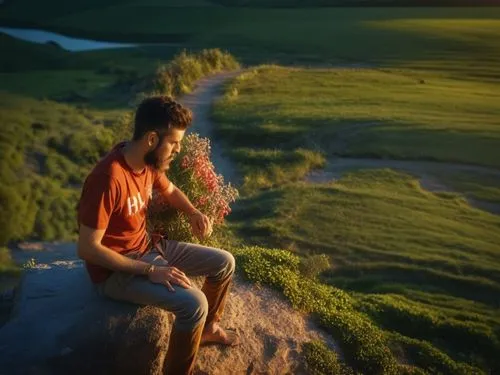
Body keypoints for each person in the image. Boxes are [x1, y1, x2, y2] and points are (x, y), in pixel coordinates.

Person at [76, 95, 239, 375]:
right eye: (174, 143)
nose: (178, 149)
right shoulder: (108, 178)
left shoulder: (148, 164)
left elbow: (171, 191)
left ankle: (209, 329)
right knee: (194, 305)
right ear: (152, 139)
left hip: (150, 247)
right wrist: (151, 270)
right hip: (115, 273)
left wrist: (192, 213)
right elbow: (88, 249)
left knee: (225, 262)